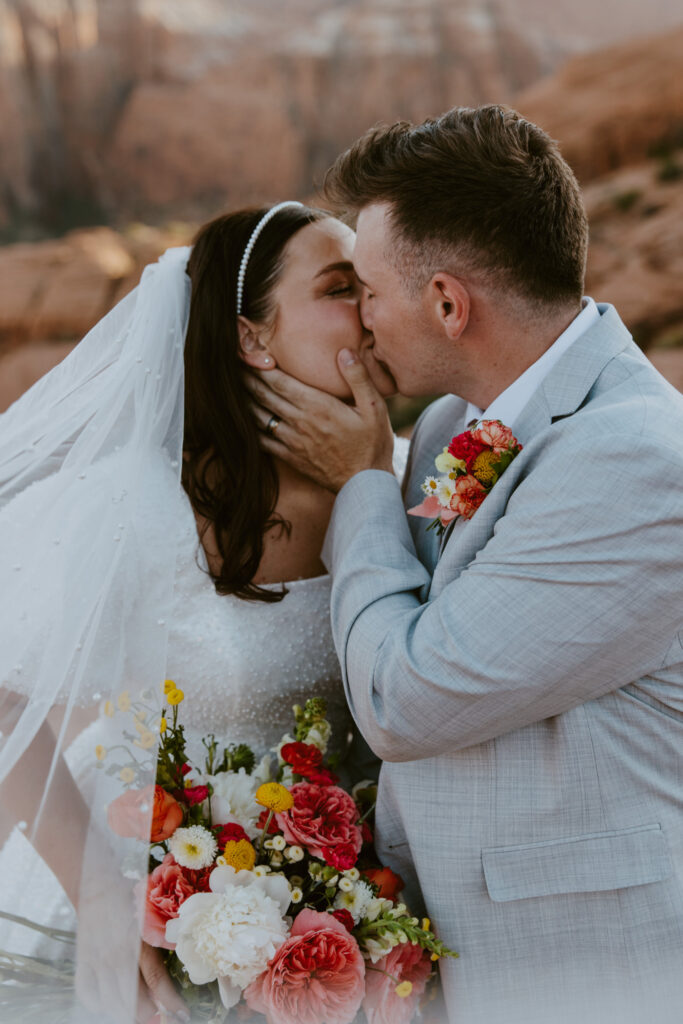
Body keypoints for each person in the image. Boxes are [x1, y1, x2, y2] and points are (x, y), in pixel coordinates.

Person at [248, 105, 683, 1024]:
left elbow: (407, 696)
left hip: (588, 974)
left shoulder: (637, 461)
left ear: (447, 304)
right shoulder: (452, 425)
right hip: (446, 958)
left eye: (366, 290)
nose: (360, 320)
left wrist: (363, 479)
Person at [0, 201, 405, 1024]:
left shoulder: (397, 484)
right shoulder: (134, 505)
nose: (366, 314)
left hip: (351, 930)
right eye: (337, 288)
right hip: (154, 922)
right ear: (252, 338)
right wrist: (103, 898)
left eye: (367, 288)